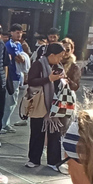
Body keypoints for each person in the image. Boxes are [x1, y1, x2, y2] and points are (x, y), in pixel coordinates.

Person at [25, 42, 66, 170]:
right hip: (39, 102)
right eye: (59, 56)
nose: (60, 59)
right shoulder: (39, 64)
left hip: (54, 104)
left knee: (55, 132)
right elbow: (31, 80)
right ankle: (34, 159)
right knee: (37, 131)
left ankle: (53, 161)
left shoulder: (58, 66)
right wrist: (49, 79)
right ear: (52, 55)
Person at [2, 24, 28, 134]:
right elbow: (20, 58)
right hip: (11, 77)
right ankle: (3, 124)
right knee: (10, 101)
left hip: (17, 76)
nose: (19, 35)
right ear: (11, 33)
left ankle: (6, 123)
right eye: (17, 32)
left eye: (21, 32)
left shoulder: (18, 44)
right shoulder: (10, 45)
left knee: (12, 101)